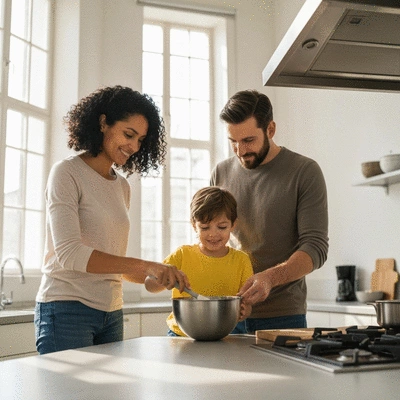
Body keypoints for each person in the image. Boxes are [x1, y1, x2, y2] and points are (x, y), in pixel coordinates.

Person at [34, 85, 189, 355]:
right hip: (67, 310)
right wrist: (146, 264)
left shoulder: (122, 187)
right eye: (128, 134)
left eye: (140, 140)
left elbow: (110, 263)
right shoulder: (66, 173)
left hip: (112, 313)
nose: (134, 146)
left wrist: (156, 275)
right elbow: (70, 254)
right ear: (103, 122)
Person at [210, 89, 329, 332]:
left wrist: (270, 278)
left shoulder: (304, 171)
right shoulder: (220, 173)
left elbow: (315, 247)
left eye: (248, 141)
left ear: (270, 130)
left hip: (283, 316)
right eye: (233, 142)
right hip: (229, 313)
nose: (240, 151)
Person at [145, 186, 254, 336]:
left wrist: (245, 311)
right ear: (193, 225)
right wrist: (160, 279)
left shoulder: (242, 260)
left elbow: (246, 303)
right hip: (182, 334)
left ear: (233, 225)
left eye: (221, 227)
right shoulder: (182, 254)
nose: (213, 234)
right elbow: (149, 285)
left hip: (229, 333)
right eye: (204, 227)